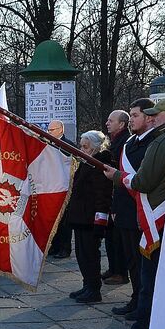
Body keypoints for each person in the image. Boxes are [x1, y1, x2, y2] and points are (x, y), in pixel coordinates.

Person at [103, 97, 165, 329]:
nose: (152, 118)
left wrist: (117, 177)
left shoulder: (163, 141)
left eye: (157, 114)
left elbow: (143, 181)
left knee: (150, 279)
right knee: (163, 278)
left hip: (158, 216)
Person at [109, 99, 157, 319]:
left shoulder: (153, 143)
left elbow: (140, 178)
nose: (131, 120)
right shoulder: (131, 143)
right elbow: (121, 180)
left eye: (135, 115)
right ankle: (136, 298)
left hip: (143, 210)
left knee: (142, 262)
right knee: (131, 259)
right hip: (126, 210)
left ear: (148, 117)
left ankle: (142, 303)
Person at [65, 131, 113, 304]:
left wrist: (100, 222)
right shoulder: (87, 162)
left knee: (90, 255)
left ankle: (94, 289)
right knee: (81, 254)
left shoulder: (99, 164)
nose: (82, 149)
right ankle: (87, 285)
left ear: (96, 147)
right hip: (80, 217)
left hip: (89, 219)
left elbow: (103, 195)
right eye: (81, 146)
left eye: (86, 147)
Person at [102, 110, 130, 286]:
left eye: (111, 120)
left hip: (120, 195)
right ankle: (113, 268)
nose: (107, 123)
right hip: (113, 194)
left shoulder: (124, 142)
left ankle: (120, 272)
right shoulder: (114, 141)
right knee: (110, 237)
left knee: (117, 238)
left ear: (121, 124)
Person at [48, 119, 76, 258]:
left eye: (51, 130)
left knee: (64, 222)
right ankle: (54, 246)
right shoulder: (47, 144)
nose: (49, 132)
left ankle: (65, 248)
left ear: (60, 130)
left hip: (64, 188)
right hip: (51, 187)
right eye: (48, 130)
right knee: (53, 220)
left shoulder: (68, 145)